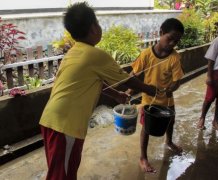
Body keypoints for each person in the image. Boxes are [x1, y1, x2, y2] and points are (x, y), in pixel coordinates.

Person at [39, 2, 157, 180]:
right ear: (94, 28)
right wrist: (150, 88)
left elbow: (95, 82)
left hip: (52, 121)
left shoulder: (73, 53)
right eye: (98, 23)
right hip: (65, 125)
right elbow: (126, 80)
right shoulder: (95, 55)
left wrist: (116, 95)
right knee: (61, 176)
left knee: (61, 171)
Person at [129, 18, 185, 173]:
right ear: (161, 33)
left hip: (167, 99)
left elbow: (177, 80)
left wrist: (171, 89)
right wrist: (128, 91)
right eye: (170, 38)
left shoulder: (174, 57)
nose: (173, 43)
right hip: (148, 100)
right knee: (146, 129)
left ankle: (169, 141)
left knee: (171, 121)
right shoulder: (146, 55)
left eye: (176, 41)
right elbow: (133, 75)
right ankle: (143, 157)